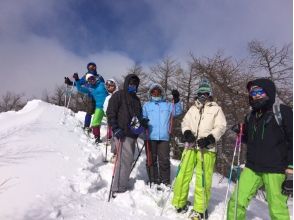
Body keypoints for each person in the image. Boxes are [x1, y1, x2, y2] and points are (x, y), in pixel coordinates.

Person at [227, 78, 292, 220]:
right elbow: (250, 140)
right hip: (252, 167)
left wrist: (291, 171)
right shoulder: (251, 116)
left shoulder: (282, 111)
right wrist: (241, 133)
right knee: (236, 201)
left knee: (277, 209)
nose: (255, 95)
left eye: (259, 91)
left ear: (268, 91)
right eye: (252, 92)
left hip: (275, 168)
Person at [172, 78, 227, 219]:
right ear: (197, 93)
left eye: (206, 92)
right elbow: (185, 123)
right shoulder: (192, 108)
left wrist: (210, 138)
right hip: (190, 146)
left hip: (206, 148)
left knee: (203, 179)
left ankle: (200, 209)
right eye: (201, 92)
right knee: (182, 174)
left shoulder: (216, 109)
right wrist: (187, 133)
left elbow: (221, 126)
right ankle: (179, 202)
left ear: (209, 94)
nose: (203, 95)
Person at [106, 74, 143, 196]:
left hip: (132, 134)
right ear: (127, 83)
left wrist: (143, 123)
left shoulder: (136, 100)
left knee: (127, 160)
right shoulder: (119, 95)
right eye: (131, 83)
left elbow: (138, 117)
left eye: (135, 84)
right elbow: (110, 112)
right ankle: (118, 188)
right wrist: (115, 128)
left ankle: (120, 183)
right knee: (125, 161)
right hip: (121, 133)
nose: (133, 86)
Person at [142, 83, 183, 186]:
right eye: (153, 91)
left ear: (161, 93)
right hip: (150, 136)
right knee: (151, 160)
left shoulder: (168, 105)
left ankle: (165, 181)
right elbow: (142, 118)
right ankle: (153, 180)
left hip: (164, 137)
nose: (156, 93)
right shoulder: (147, 105)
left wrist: (177, 100)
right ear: (150, 93)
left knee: (164, 160)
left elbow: (177, 111)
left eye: (158, 91)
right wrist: (143, 122)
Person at [64, 62, 104, 132]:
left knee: (99, 111)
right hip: (90, 96)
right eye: (90, 67)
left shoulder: (99, 77)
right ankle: (86, 126)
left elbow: (104, 86)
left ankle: (96, 126)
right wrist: (71, 82)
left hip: (99, 97)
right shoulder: (86, 76)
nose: (92, 68)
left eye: (93, 67)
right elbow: (79, 83)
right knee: (89, 111)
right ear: (88, 68)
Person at [73, 72, 108, 143]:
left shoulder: (102, 84)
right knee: (95, 122)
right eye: (89, 80)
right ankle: (97, 138)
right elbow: (80, 89)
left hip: (108, 105)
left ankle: (110, 137)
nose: (91, 80)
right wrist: (77, 80)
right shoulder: (90, 88)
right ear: (88, 82)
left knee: (111, 122)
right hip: (99, 107)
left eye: (92, 78)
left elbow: (111, 88)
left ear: (94, 78)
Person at [103, 79, 119, 162]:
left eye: (111, 86)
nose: (110, 88)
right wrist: (108, 115)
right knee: (113, 137)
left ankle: (120, 153)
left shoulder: (119, 95)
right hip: (111, 120)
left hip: (119, 119)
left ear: (115, 86)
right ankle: (115, 153)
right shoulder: (107, 98)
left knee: (118, 137)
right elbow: (105, 108)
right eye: (108, 86)